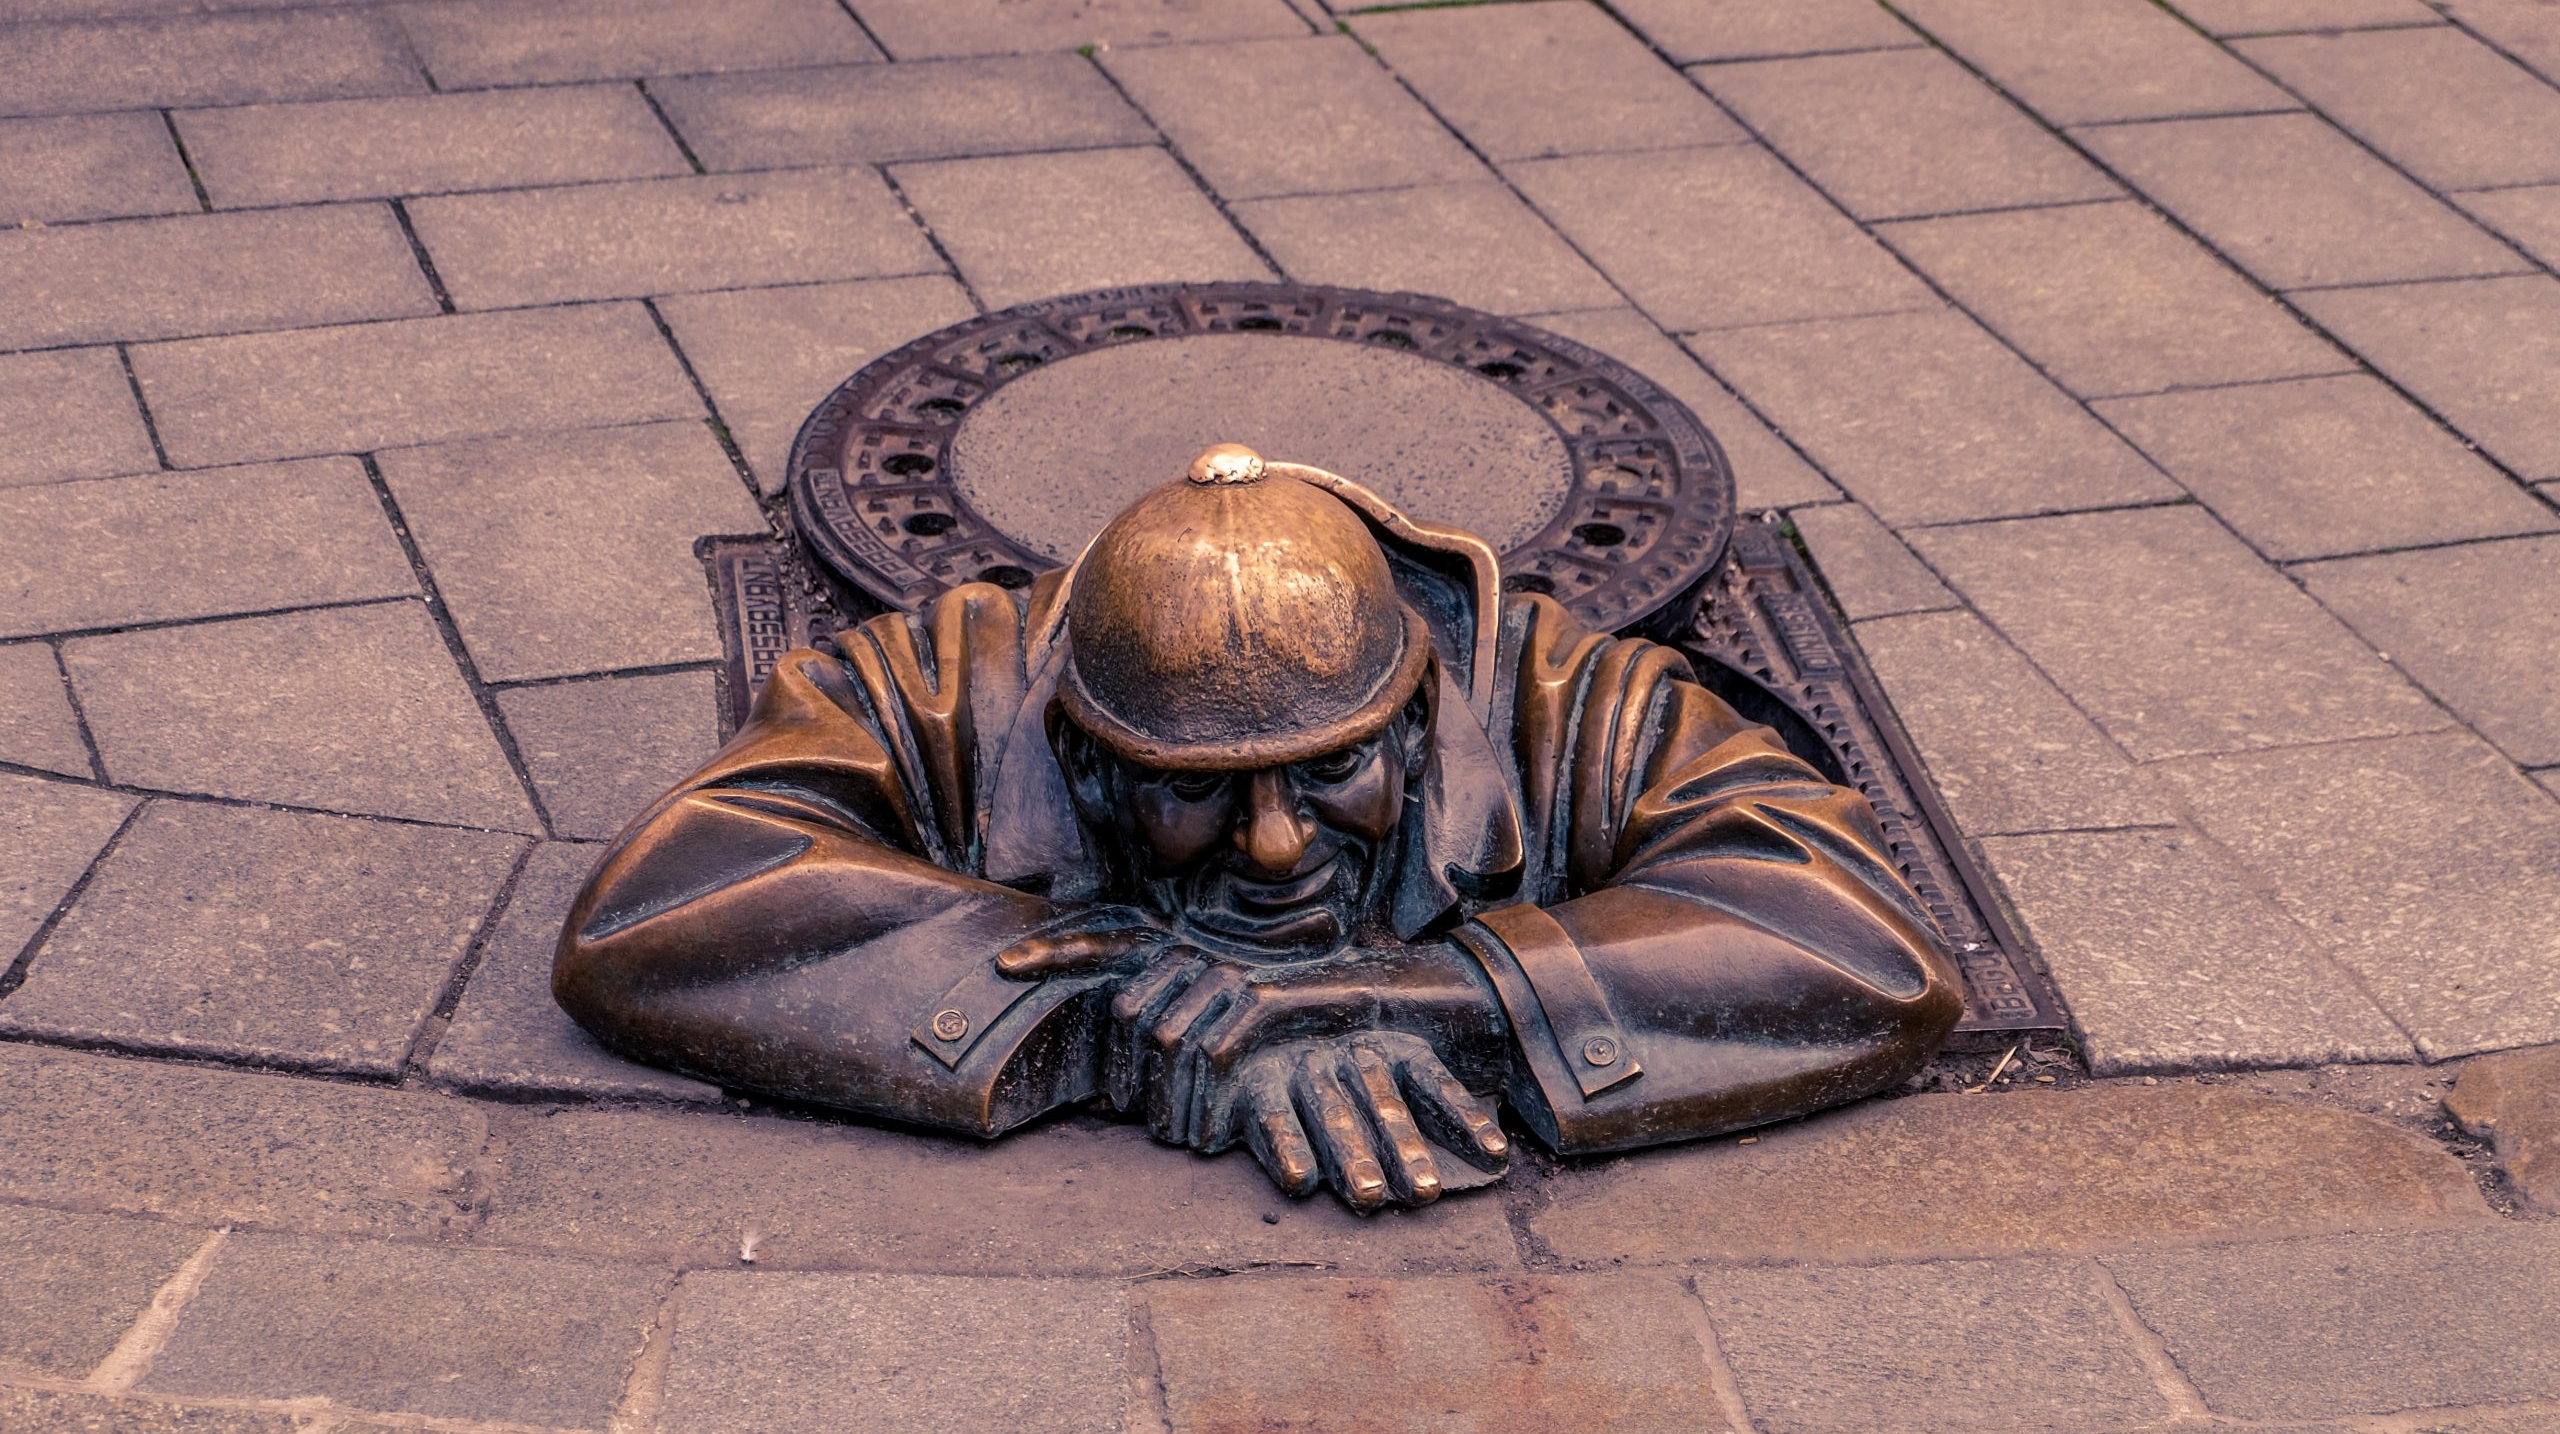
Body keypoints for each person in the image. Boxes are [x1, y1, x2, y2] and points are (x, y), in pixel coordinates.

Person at [554, 445, 1961, 1210]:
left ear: (1416, 717)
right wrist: (1104, 1008)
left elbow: (1862, 938)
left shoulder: (1563, 691)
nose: (1277, 846)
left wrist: (1439, 989)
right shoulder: (947, 682)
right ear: (1084, 755)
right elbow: (661, 901)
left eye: (1334, 768)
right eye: (1191, 788)